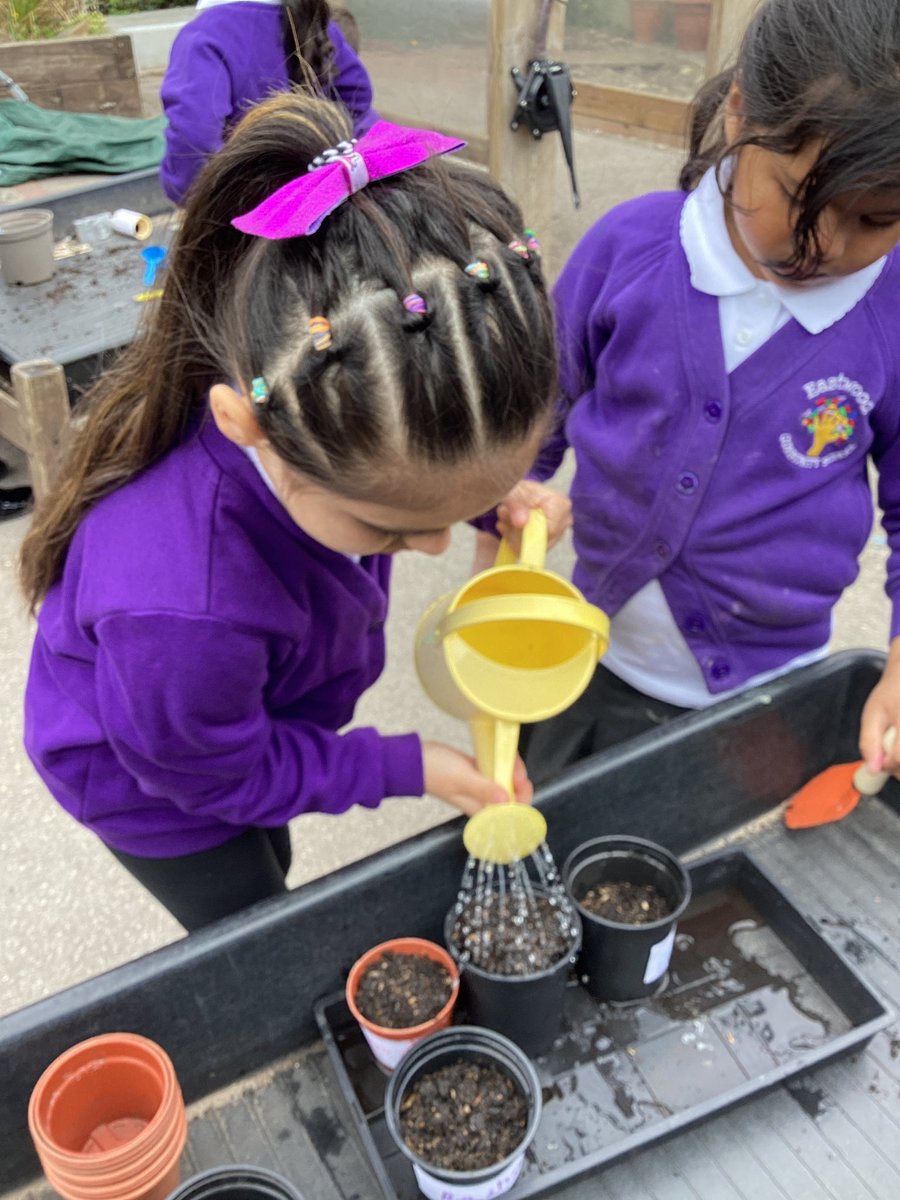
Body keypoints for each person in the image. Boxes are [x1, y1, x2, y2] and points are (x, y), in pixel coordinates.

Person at [18, 92, 567, 932]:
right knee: (248, 910)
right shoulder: (182, 608)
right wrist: (398, 764)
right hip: (158, 791)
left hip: (219, 720)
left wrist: (497, 504)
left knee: (264, 838)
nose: (431, 547)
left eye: (468, 505)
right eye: (388, 529)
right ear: (249, 428)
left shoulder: (337, 419)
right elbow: (211, 776)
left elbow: (417, 480)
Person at [518, 0, 900, 784]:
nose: (826, 245)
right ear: (737, 113)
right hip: (593, 658)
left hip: (772, 693)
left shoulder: (890, 309)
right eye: (797, 196)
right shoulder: (627, 250)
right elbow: (535, 409)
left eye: (875, 218)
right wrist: (516, 490)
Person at [159, 0, 378, 205]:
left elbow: (193, 140)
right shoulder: (317, 24)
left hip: (246, 214)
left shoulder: (204, 36)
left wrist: (188, 196)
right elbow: (357, 101)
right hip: (322, 203)